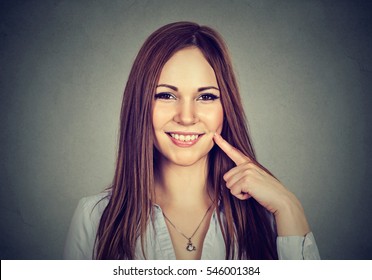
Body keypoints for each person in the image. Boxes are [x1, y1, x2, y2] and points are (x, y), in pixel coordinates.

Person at [63, 21, 320, 260]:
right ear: (140, 105)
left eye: (206, 97)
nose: (186, 117)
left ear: (226, 108)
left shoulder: (271, 216)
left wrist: (289, 207)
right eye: (165, 95)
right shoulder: (94, 217)